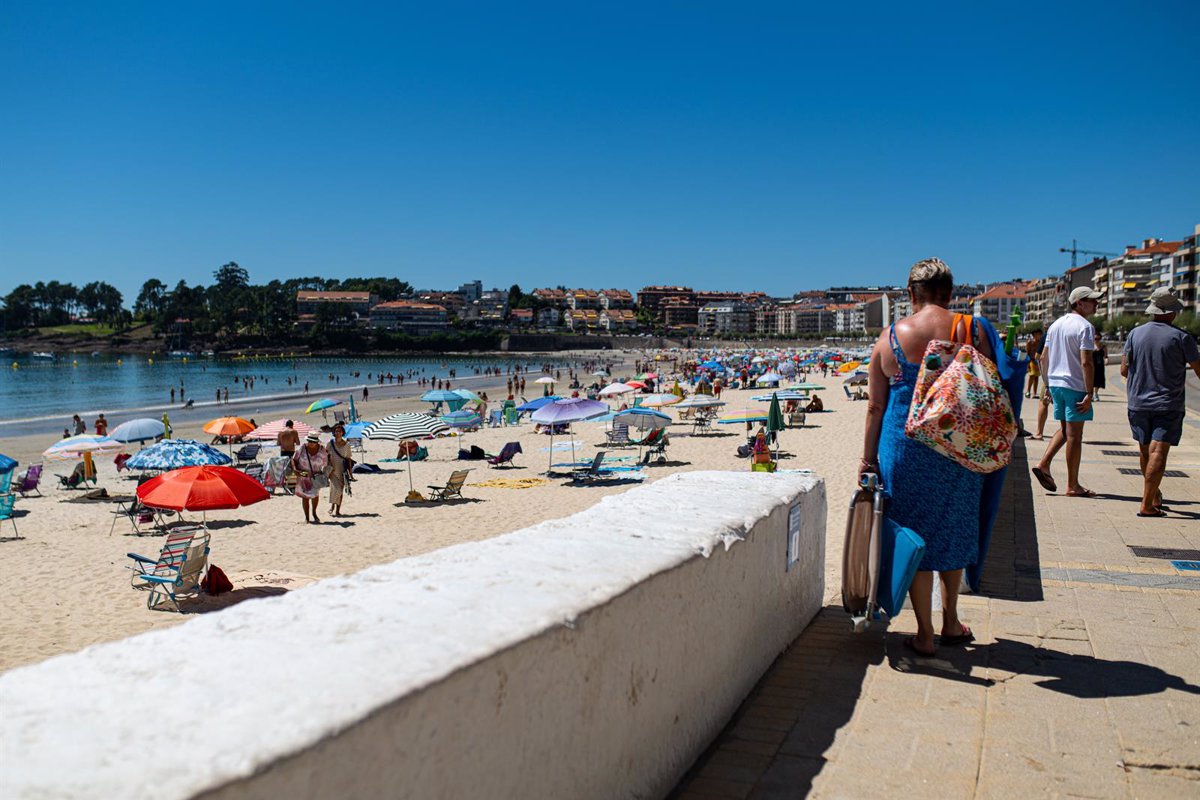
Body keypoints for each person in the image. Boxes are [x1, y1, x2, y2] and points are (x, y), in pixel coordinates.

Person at [861, 257, 998, 657]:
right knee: (954, 529)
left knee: (915, 534)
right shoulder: (971, 329)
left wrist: (867, 460)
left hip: (903, 448)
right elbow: (989, 387)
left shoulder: (890, 338)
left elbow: (874, 407)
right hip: (959, 446)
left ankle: (923, 632)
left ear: (910, 295)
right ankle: (951, 621)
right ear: (951, 292)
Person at [1120, 288, 1200, 517]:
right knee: (1158, 452)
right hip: (1167, 404)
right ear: (1172, 312)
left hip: (1137, 402)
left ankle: (1153, 496)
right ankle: (1146, 504)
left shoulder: (1134, 334)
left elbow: (1124, 369)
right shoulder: (1183, 338)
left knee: (1145, 451)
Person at [1031, 286, 1101, 497]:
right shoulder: (1085, 327)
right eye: (1092, 301)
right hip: (1075, 385)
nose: (1096, 304)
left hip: (1057, 385)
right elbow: (1086, 362)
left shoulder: (1055, 325)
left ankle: (1044, 464)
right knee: (1075, 437)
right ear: (1079, 303)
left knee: (1065, 429)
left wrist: (1048, 386)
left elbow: (1043, 358)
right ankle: (1073, 485)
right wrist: (1089, 392)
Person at [292, 432, 329, 523]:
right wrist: (295, 469)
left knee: (315, 495)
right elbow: (293, 459)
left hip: (315, 476)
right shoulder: (302, 448)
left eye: (313, 441)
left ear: (317, 442)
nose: (311, 443)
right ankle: (307, 518)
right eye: (309, 441)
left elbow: (326, 462)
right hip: (303, 474)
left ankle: (314, 513)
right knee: (305, 496)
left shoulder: (322, 449)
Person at [326, 423, 354, 517]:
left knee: (340, 490)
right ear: (334, 432)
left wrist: (350, 473)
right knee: (335, 489)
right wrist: (328, 468)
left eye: (340, 431)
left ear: (343, 432)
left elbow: (348, 458)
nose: (338, 433)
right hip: (332, 470)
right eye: (336, 431)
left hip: (342, 470)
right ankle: (332, 507)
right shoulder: (330, 443)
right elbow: (326, 456)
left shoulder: (346, 444)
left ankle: (337, 509)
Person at [1024, 329, 1043, 397]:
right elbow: (1027, 352)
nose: (1040, 336)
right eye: (1039, 334)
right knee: (1032, 376)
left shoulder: (1041, 342)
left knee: (1036, 377)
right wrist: (1027, 363)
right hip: (1031, 360)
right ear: (1034, 335)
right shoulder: (1030, 342)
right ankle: (1028, 391)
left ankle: (1034, 393)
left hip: (1038, 361)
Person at [1091, 333, 1108, 401]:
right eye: (1095, 339)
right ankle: (1091, 394)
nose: (1096, 340)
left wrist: (1106, 361)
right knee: (1092, 380)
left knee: (1098, 380)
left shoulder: (1103, 347)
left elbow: (1106, 356)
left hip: (1100, 365)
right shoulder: (1091, 347)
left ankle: (1096, 394)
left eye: (1098, 339)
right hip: (1092, 365)